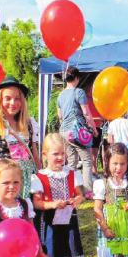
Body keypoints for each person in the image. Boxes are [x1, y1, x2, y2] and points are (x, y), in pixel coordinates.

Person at [30, 134, 86, 257]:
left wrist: (76, 200)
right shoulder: (39, 177)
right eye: (56, 154)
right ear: (45, 155)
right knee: (52, 253)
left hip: (68, 220)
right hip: (49, 223)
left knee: (68, 250)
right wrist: (53, 204)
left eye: (62, 153)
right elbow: (37, 203)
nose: (60, 157)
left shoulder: (71, 173)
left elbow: (80, 195)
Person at [0, 76, 41, 199]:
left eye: (17, 98)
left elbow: (35, 157)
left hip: (30, 182)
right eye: (8, 98)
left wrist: (41, 178)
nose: (13, 103)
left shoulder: (30, 124)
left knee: (30, 214)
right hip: (8, 185)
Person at [57, 67, 98, 196]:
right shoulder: (79, 92)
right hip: (77, 132)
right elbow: (86, 113)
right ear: (77, 78)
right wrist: (94, 128)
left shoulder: (60, 95)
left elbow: (60, 116)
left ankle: (69, 190)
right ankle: (88, 191)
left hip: (64, 131)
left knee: (72, 161)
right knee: (86, 160)